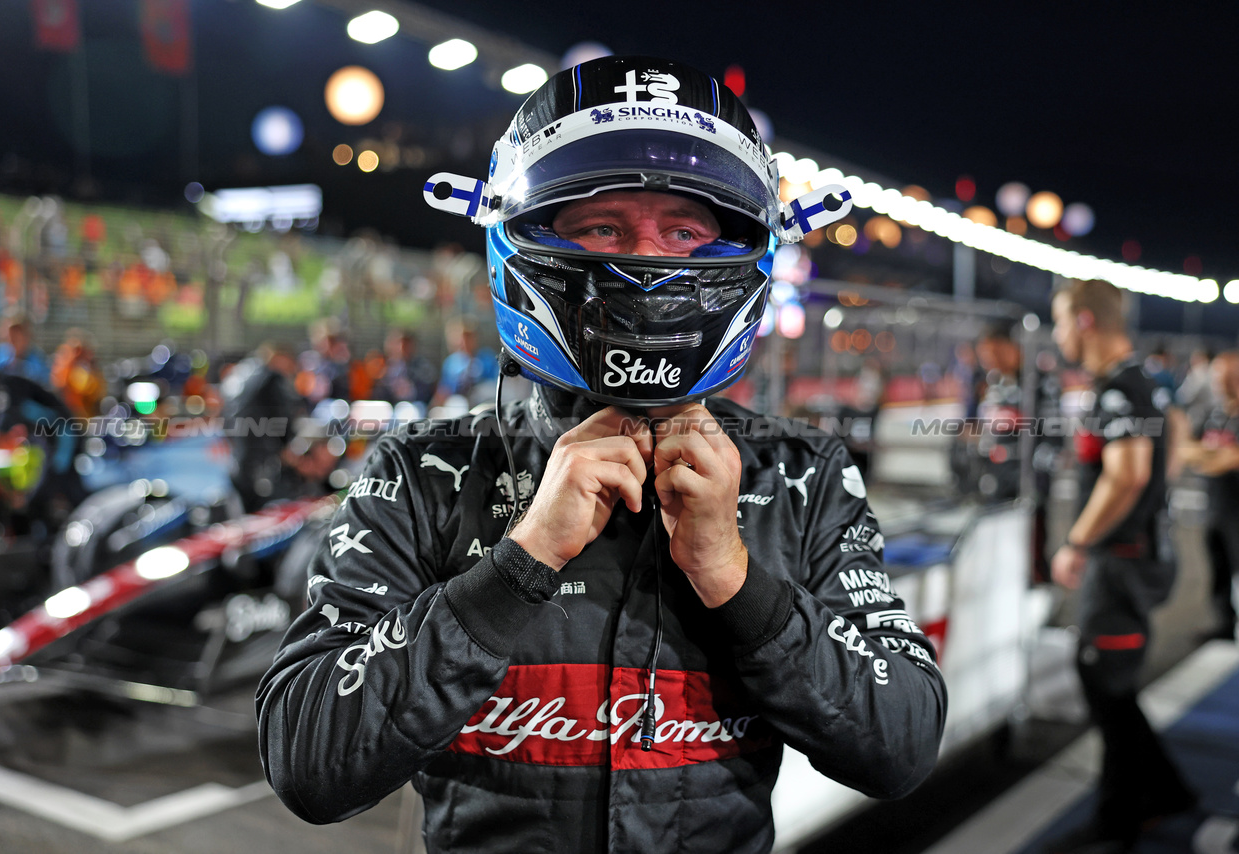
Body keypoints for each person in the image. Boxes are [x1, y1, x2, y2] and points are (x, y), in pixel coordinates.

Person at [257, 56, 946, 853]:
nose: (648, 263)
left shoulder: (802, 474)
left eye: (685, 231)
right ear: (524, 239)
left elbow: (902, 744)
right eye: (601, 226)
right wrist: (518, 565)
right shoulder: (424, 471)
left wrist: (736, 578)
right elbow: (306, 759)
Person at [1047, 280, 1196, 853]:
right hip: (1142, 555)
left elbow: (1128, 472)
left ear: (1084, 321)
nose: (1059, 334)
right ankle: (1168, 792)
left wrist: (1077, 543)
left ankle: (1120, 824)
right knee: (1112, 687)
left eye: (1060, 321)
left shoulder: (1117, 389)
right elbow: (1174, 439)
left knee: (1106, 686)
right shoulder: (1148, 381)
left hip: (1122, 564)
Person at [0, 330, 85, 529]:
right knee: (32, 500)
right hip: (45, 444)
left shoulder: (5, 384)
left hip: (63, 438)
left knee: (56, 495)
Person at [219, 343, 335, 513]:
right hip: (264, 465)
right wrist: (289, 452)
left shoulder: (241, 373)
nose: (291, 370)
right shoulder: (270, 378)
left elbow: (226, 415)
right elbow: (282, 419)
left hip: (239, 459)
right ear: (279, 358)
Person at [1178, 350, 1239, 641]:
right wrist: (1213, 455)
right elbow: (1186, 448)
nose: (1223, 382)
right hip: (1216, 508)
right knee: (1218, 571)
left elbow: (1227, 459)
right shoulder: (1215, 414)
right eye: (1219, 376)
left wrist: (1211, 456)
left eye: (1229, 376)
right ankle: (1225, 625)